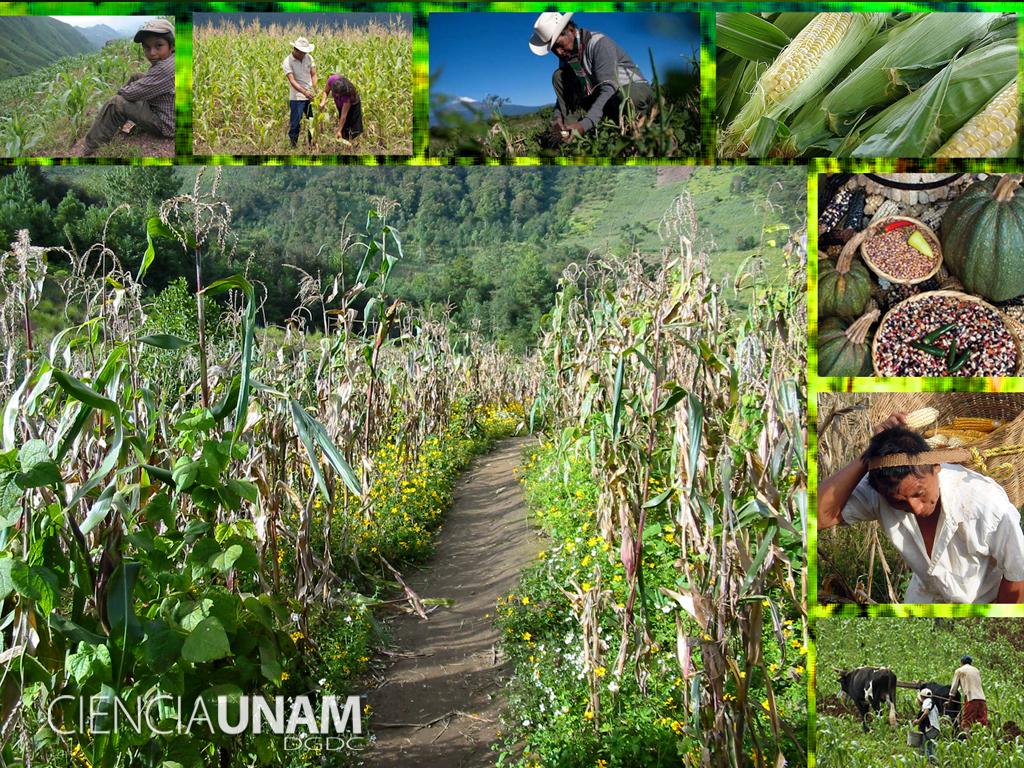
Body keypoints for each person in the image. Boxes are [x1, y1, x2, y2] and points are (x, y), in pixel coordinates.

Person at [817, 412, 1024, 603]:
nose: (916, 509)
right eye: (898, 502)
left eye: (919, 493)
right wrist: (869, 454)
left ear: (936, 466)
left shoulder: (987, 505)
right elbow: (818, 518)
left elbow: (1016, 576)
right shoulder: (880, 491)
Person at [528, 12, 652, 144]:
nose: (558, 52)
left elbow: (610, 86)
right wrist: (557, 117)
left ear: (570, 30)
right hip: (604, 99)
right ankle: (570, 132)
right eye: (553, 49)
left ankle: (642, 121)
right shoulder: (567, 58)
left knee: (630, 97)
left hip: (627, 89)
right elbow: (565, 96)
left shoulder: (598, 43)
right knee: (559, 76)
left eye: (559, 44)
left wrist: (586, 123)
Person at [82, 19, 175, 156]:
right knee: (137, 76)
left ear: (172, 46)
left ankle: (92, 146)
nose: (152, 53)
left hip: (166, 123)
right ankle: (126, 120)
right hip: (169, 107)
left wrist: (121, 94)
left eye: (158, 46)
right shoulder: (173, 59)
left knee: (115, 102)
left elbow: (130, 94)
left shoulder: (164, 68)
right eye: (147, 47)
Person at [283, 37, 317, 148]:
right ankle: (293, 147)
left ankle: (311, 146)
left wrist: (316, 88)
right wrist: (304, 92)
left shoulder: (309, 57)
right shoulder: (288, 61)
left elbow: (313, 75)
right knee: (296, 123)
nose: (303, 54)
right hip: (297, 97)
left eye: (305, 52)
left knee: (311, 122)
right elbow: (292, 81)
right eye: (301, 52)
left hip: (310, 96)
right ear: (295, 49)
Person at [318, 74, 363, 142]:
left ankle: (348, 149)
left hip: (353, 106)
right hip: (340, 105)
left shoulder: (348, 95)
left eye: (339, 94)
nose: (336, 95)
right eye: (335, 93)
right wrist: (323, 101)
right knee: (344, 128)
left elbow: (343, 115)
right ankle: (344, 142)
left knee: (352, 128)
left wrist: (339, 130)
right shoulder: (331, 80)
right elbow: (325, 91)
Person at [950, 655, 989, 731]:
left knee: (967, 722)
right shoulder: (976, 670)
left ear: (961, 663)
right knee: (982, 722)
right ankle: (983, 740)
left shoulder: (960, 670)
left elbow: (954, 688)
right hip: (982, 700)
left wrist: (949, 700)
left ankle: (969, 742)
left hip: (971, 699)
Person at [914, 688, 940, 765]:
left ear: (922, 697)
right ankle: (933, 761)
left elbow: (926, 712)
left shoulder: (926, 701)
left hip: (930, 728)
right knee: (929, 745)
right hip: (936, 729)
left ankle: (927, 763)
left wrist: (918, 721)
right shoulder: (933, 704)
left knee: (923, 746)